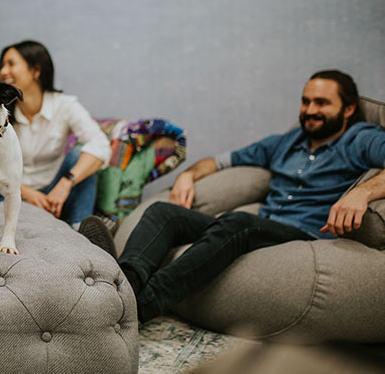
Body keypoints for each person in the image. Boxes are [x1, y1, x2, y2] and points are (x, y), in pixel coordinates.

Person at [80, 70, 385, 324]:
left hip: (303, 232)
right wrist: (188, 175)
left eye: (322, 102)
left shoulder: (360, 139)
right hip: (260, 225)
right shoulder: (288, 141)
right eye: (305, 101)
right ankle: (123, 284)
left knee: (238, 222)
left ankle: (139, 307)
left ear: (347, 109)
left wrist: (361, 192)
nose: (309, 110)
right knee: (164, 212)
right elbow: (221, 161)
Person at [0, 40, 111, 228]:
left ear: (36, 70)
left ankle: (81, 229)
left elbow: (100, 144)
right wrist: (26, 193)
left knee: (81, 154)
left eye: (10, 64)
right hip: (11, 193)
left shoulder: (65, 105)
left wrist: (65, 184)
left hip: (53, 197)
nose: (3, 71)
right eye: (2, 65)